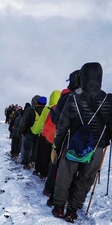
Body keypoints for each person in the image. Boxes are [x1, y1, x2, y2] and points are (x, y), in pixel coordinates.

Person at [51, 62, 112, 222]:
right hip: (96, 147)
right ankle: (72, 211)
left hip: (73, 145)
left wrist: (58, 143)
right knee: (86, 179)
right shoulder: (109, 100)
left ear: (81, 77)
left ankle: (59, 207)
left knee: (65, 175)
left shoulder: (72, 98)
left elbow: (62, 126)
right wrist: (105, 139)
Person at [43, 70, 81, 205]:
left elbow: (56, 118)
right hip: (76, 139)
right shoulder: (83, 97)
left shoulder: (65, 97)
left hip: (64, 137)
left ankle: (52, 192)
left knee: (57, 164)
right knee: (68, 168)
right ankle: (62, 195)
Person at [33, 90, 61, 179]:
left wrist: (35, 132)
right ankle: (45, 173)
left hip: (44, 136)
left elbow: (41, 123)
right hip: (55, 137)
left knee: (41, 154)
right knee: (49, 156)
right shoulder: (61, 109)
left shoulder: (47, 109)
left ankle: (38, 170)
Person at [17, 96, 40, 169]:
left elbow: (24, 121)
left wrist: (21, 131)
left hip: (28, 131)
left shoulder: (29, 109)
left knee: (27, 148)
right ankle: (33, 161)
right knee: (35, 147)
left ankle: (27, 163)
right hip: (38, 132)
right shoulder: (43, 109)